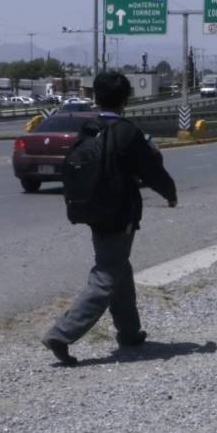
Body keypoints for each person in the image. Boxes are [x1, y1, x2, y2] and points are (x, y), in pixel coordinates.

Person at [43, 71, 178, 366]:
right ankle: (62, 334)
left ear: (95, 96)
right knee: (107, 273)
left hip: (92, 210)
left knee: (118, 267)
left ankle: (129, 332)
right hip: (119, 213)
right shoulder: (127, 132)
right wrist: (170, 192)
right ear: (126, 99)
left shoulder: (90, 128)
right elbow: (151, 170)